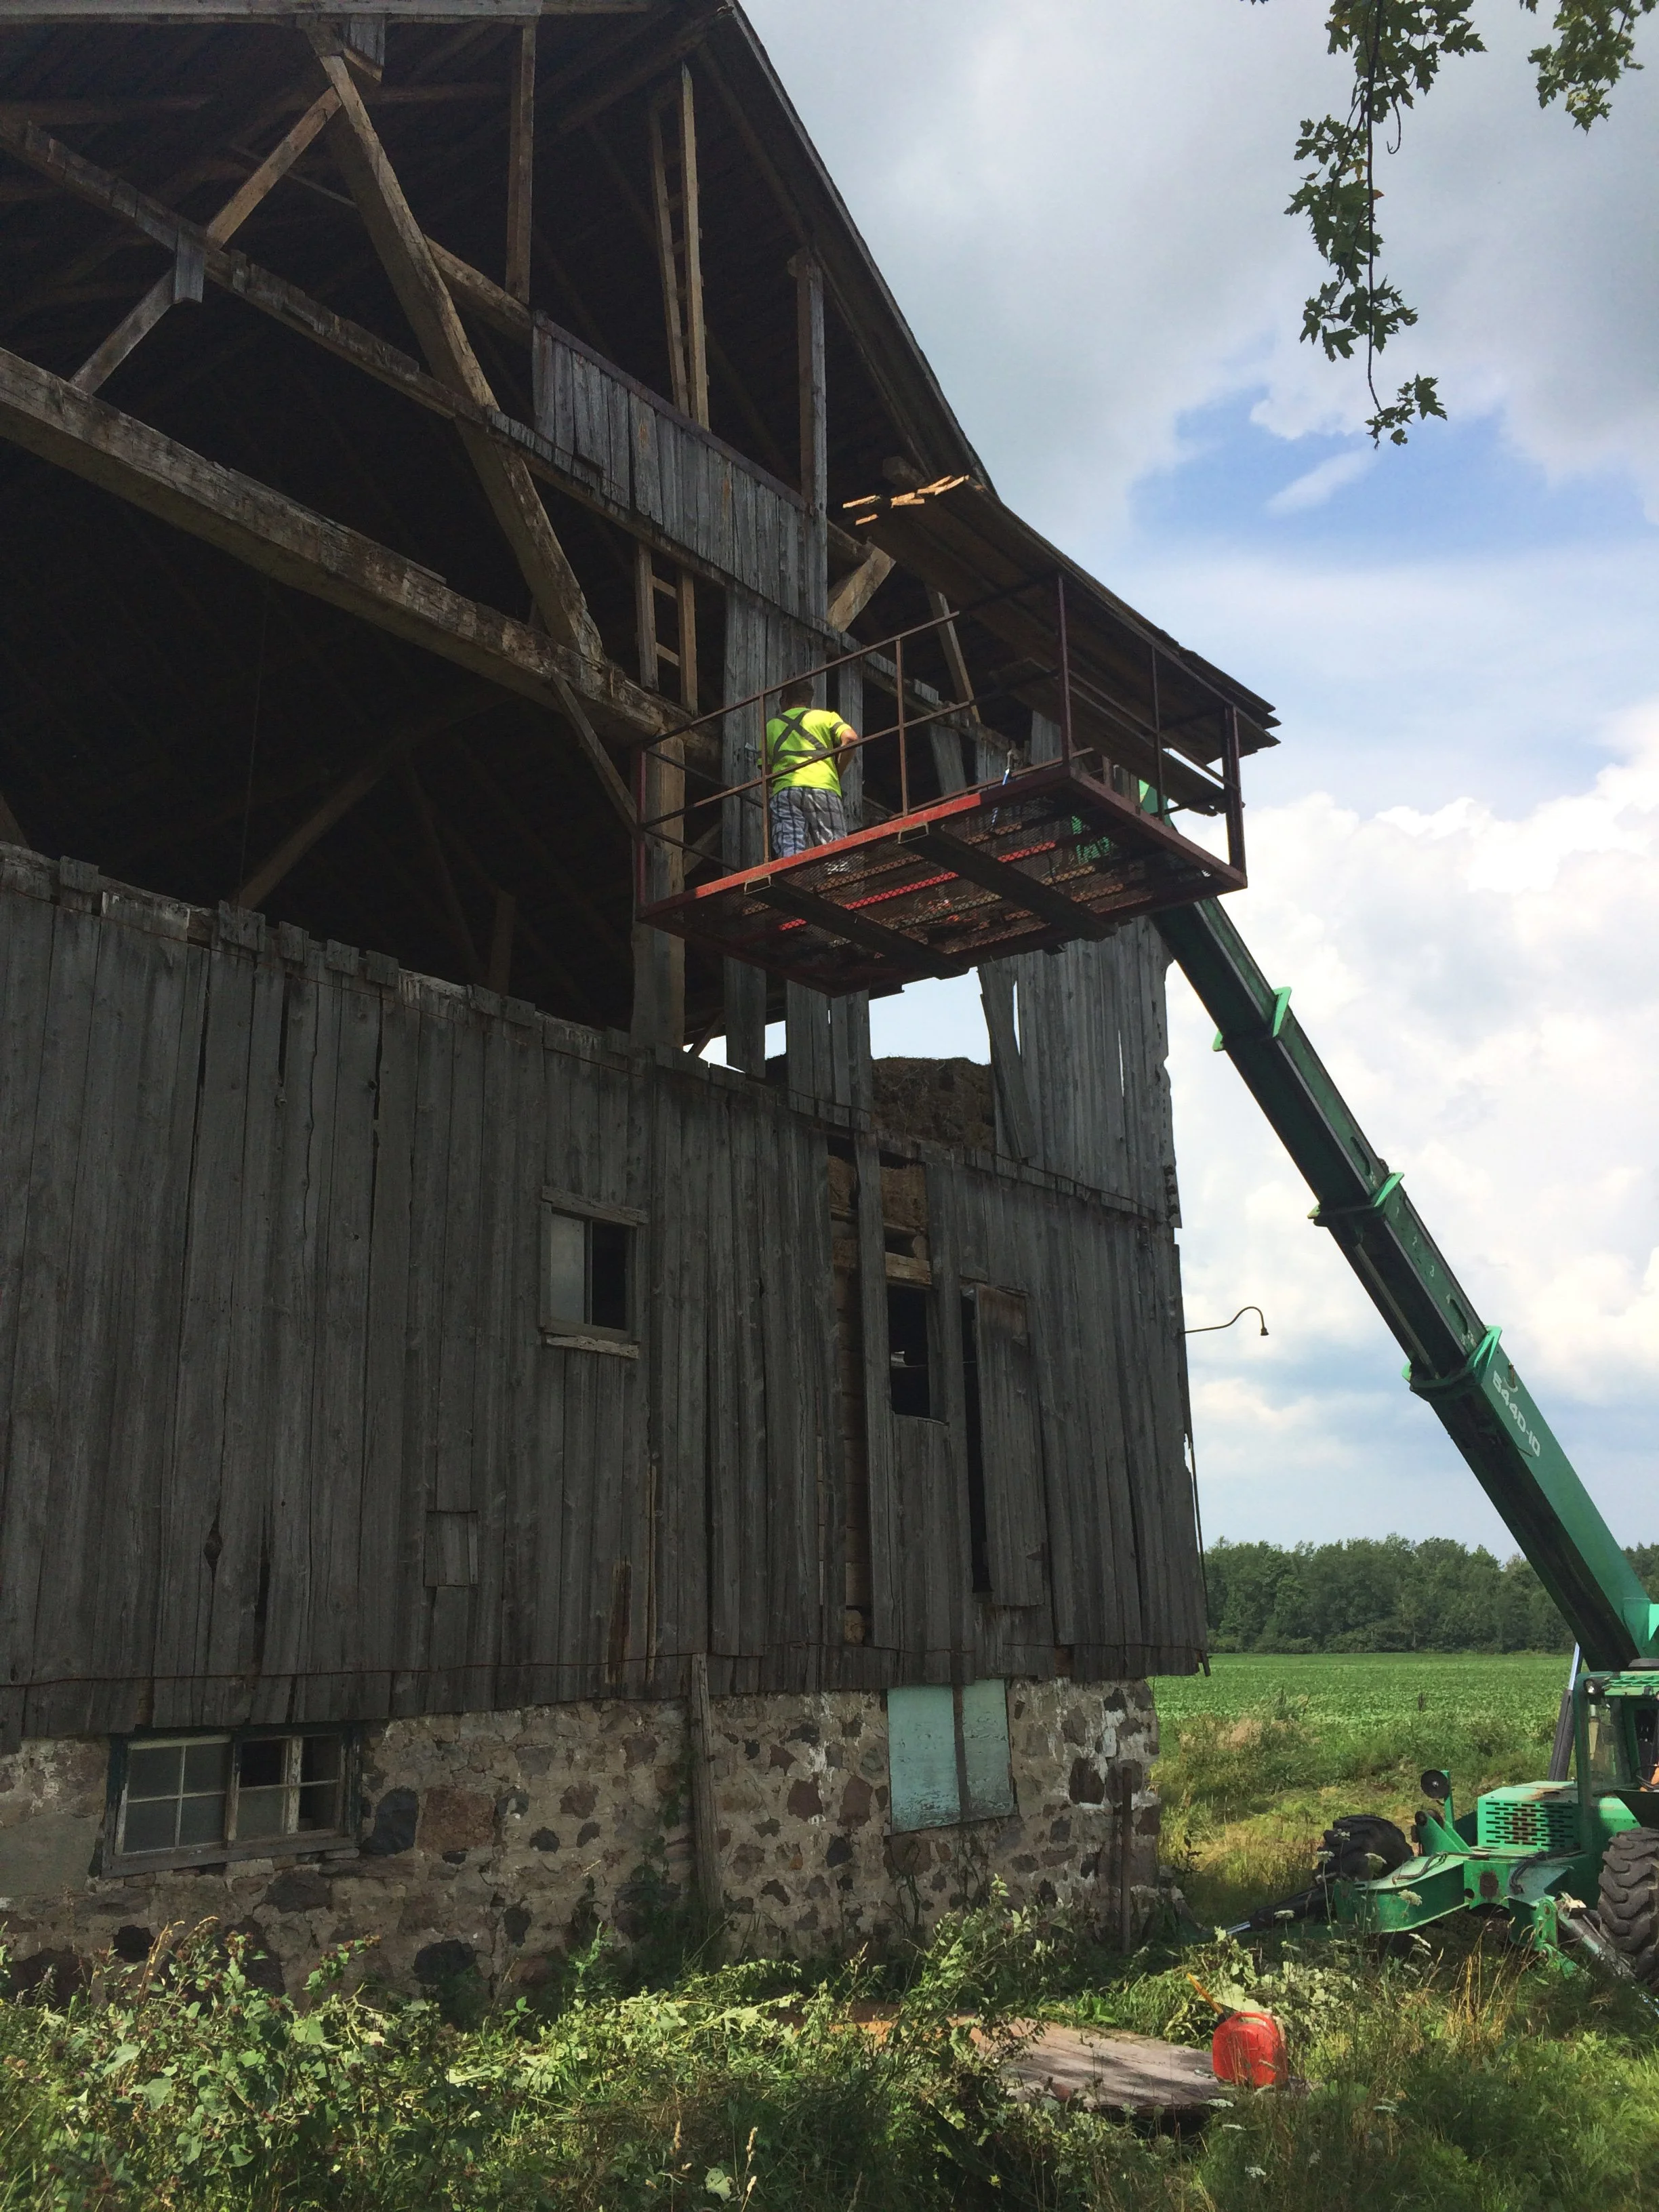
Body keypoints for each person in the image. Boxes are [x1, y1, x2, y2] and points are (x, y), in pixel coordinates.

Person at [764, 678, 857, 858]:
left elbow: (766, 773)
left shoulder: (770, 726)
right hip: (823, 787)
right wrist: (836, 772)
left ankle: (792, 879)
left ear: (784, 700)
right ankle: (838, 881)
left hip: (786, 790)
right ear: (809, 701)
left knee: (790, 853)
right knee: (836, 851)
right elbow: (850, 738)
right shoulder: (826, 717)